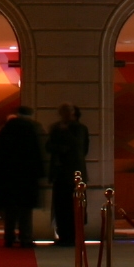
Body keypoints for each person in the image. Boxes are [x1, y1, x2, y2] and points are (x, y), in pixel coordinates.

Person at [0, 105, 46, 249]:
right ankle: (25, 237)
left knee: (10, 209)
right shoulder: (31, 128)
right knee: (25, 209)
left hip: (9, 176)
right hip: (26, 175)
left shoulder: (7, 129)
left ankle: (8, 237)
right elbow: (36, 153)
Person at [45, 104, 89, 247]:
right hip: (63, 173)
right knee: (61, 207)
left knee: (72, 207)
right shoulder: (57, 128)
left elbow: (78, 147)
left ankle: (72, 236)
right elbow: (49, 146)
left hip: (71, 174)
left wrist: (62, 138)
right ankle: (64, 235)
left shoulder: (78, 129)